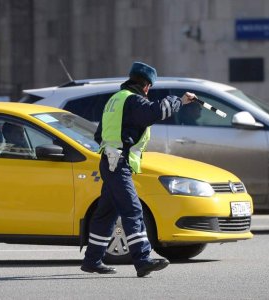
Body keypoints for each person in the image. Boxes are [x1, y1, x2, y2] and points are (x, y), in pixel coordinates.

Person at [81, 62, 196, 277]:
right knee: (133, 209)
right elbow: (155, 112)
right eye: (149, 88)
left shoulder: (115, 100)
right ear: (145, 86)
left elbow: (100, 135)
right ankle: (143, 259)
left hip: (110, 161)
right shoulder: (133, 100)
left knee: (107, 212)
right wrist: (179, 101)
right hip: (118, 163)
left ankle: (92, 260)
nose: (148, 92)